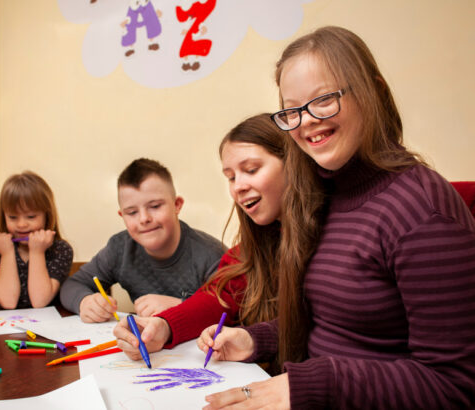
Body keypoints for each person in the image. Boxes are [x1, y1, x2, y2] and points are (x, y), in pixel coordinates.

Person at [199, 26, 475, 409]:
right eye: (293, 110)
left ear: (373, 91)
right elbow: (334, 326)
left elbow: (456, 386)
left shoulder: (422, 208)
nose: (306, 121)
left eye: (324, 99)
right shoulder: (323, 195)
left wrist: (315, 385)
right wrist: (255, 339)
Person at [113, 114, 289, 362]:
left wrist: (253, 340)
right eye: (231, 177)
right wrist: (164, 326)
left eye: (251, 170)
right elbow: (221, 296)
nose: (238, 186)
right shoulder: (251, 249)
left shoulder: (330, 238)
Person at [60, 158, 225, 322]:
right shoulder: (120, 248)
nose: (144, 219)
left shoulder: (212, 255)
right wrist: (84, 301)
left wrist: (181, 306)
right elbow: (72, 285)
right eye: (132, 212)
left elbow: (232, 308)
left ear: (177, 205)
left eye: (155, 206)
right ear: (122, 215)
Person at [0, 171, 73, 310]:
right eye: (13, 217)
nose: (21, 224)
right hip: (7, 321)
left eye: (31, 216)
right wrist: (7, 253)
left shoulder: (60, 249)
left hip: (48, 321)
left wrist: (37, 252)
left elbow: (39, 301)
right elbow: (8, 302)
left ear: (47, 215)